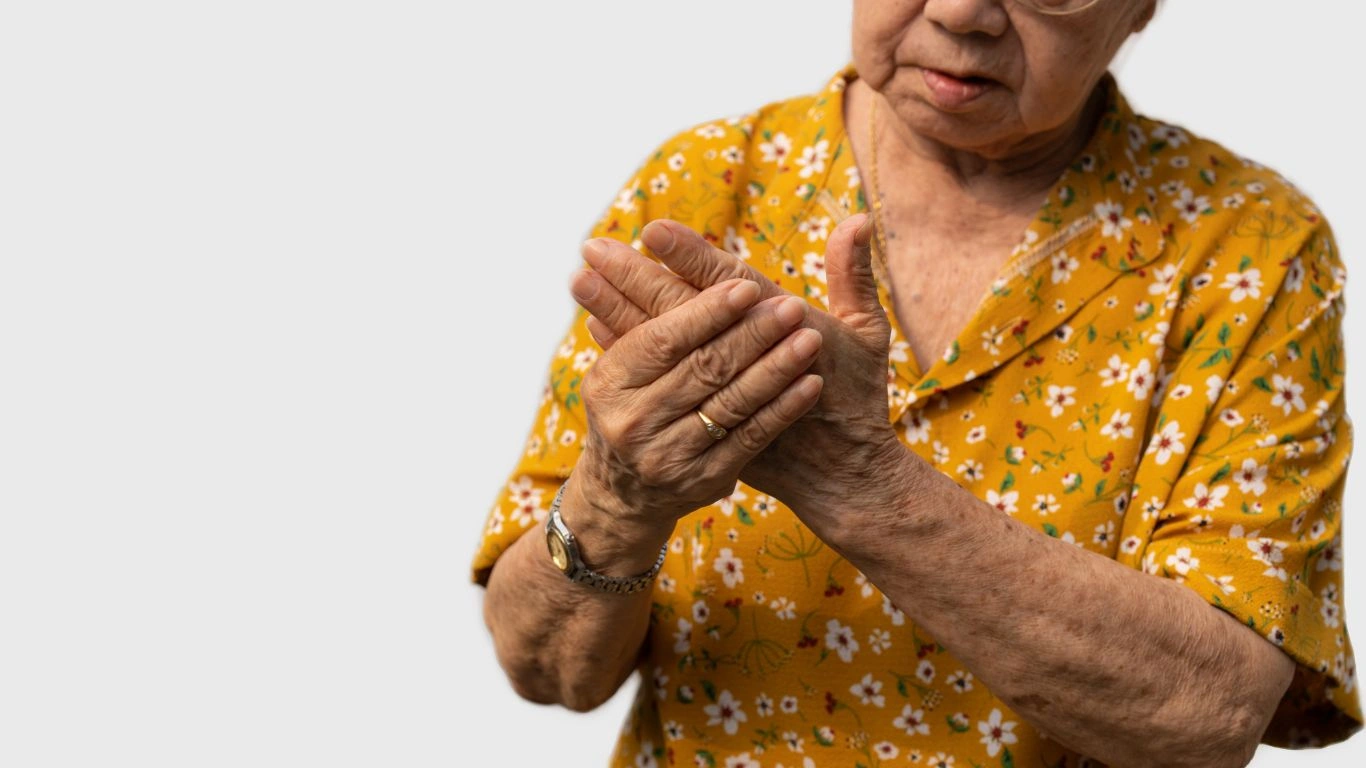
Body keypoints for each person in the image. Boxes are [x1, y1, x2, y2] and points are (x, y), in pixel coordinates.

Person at [473, 1, 1360, 765]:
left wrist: (860, 483)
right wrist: (618, 502)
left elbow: (1210, 714)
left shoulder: (1246, 246)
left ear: (1143, 7)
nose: (963, 13)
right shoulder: (707, 188)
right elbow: (548, 666)